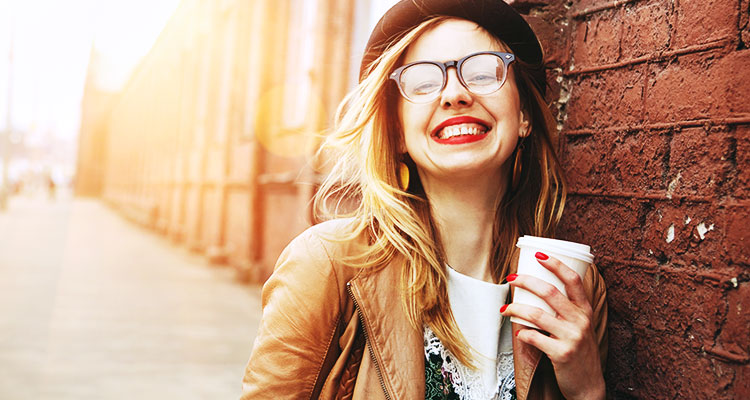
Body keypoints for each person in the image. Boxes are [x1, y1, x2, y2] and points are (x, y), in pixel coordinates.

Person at [241, 0, 607, 399]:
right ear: (397, 132)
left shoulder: (574, 286)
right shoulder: (327, 265)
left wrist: (587, 389)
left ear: (524, 116)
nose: (454, 94)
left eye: (483, 73)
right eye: (422, 82)